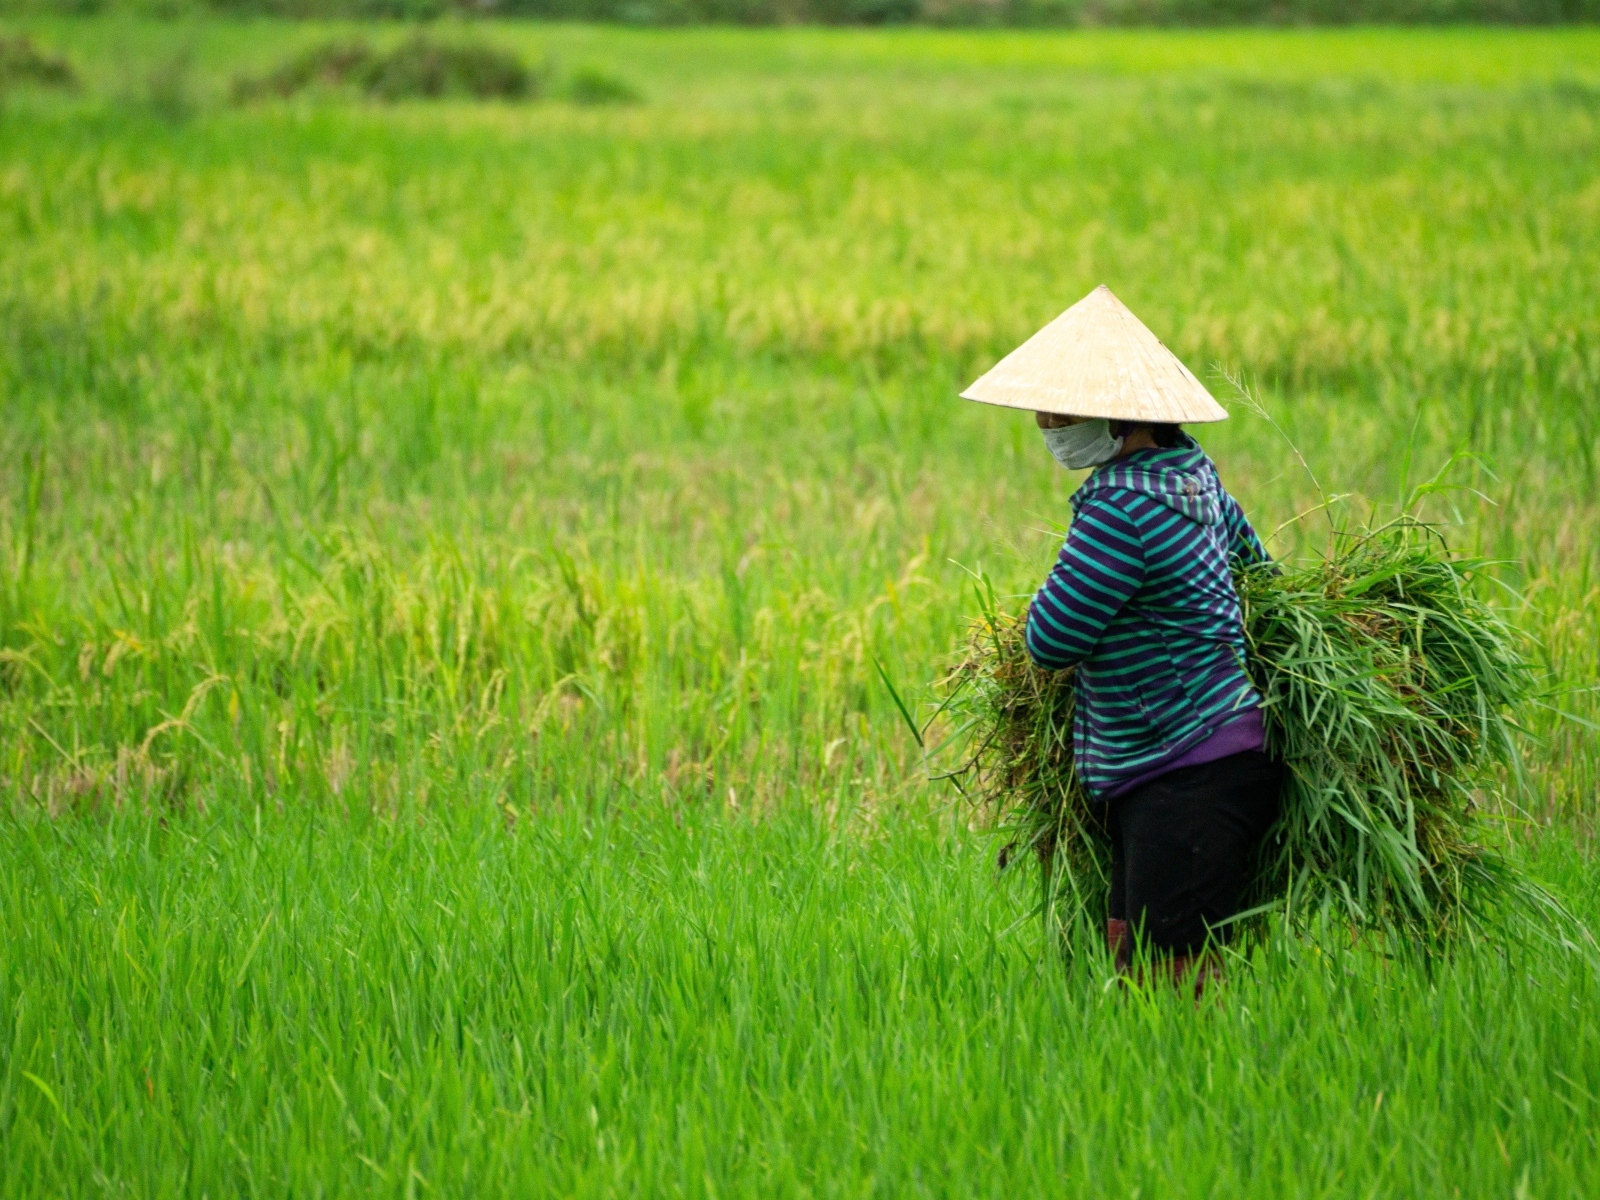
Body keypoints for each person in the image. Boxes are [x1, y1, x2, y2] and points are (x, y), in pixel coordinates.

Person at [959, 285, 1281, 994]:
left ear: (1121, 415)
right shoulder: (1192, 475)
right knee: (1131, 948)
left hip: (1185, 767)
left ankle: (1192, 1088)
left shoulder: (1121, 507)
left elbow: (1051, 638)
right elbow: (1261, 572)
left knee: (1169, 974)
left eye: (1062, 409)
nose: (1046, 423)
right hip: (1194, 759)